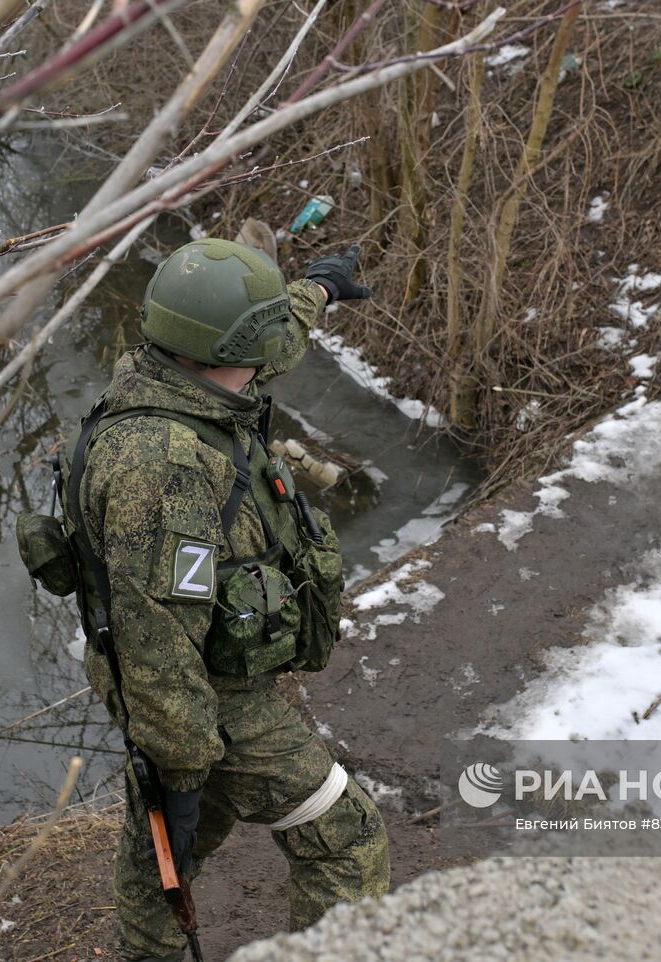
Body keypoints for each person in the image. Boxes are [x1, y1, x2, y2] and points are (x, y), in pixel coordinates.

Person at [70, 238, 389, 961]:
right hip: (203, 698)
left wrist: (320, 292)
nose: (272, 356)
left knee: (167, 856)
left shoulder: (177, 372)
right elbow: (154, 642)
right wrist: (183, 763)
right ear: (223, 348)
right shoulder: (165, 468)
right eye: (262, 336)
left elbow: (269, 346)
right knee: (345, 837)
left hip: (191, 691)